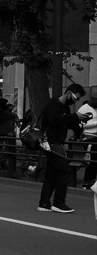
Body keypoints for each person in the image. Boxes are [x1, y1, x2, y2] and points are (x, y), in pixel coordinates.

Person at [36, 83, 90, 214]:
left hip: (55, 142)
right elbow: (54, 120)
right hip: (50, 141)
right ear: (68, 93)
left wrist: (79, 132)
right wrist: (75, 116)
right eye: (75, 98)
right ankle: (59, 203)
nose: (75, 101)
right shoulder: (53, 104)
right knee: (65, 170)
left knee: (52, 173)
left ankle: (44, 203)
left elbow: (69, 122)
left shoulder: (65, 108)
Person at [77, 90, 97, 190]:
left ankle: (93, 180)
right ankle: (88, 180)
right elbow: (79, 124)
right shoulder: (84, 109)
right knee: (93, 156)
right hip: (88, 137)